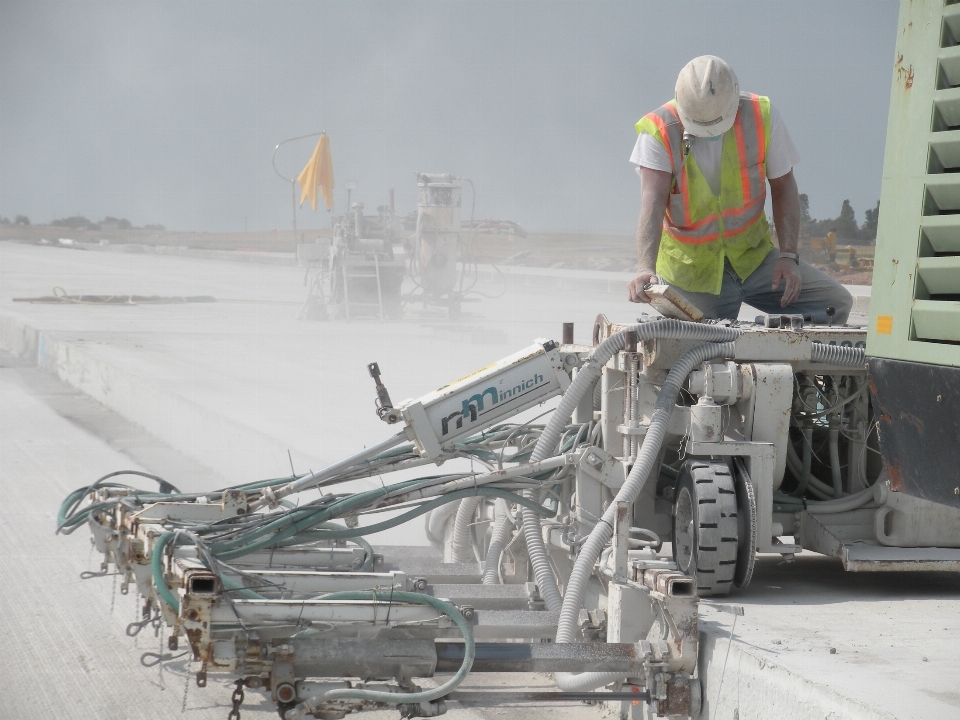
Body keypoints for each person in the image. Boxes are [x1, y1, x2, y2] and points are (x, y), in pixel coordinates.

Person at [627, 56, 852, 324]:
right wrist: (645, 268)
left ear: (734, 99)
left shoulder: (762, 117)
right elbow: (652, 205)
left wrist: (789, 256)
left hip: (754, 260)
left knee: (835, 305)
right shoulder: (658, 132)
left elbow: (783, 187)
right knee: (699, 345)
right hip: (693, 273)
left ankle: (791, 360)